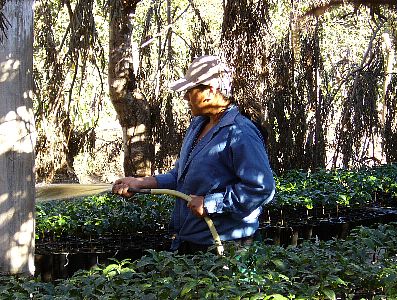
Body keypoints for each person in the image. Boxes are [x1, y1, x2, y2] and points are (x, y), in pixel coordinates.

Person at [112, 55, 275, 254]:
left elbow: (261, 188)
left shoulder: (240, 131)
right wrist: (141, 182)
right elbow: (180, 175)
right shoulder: (198, 125)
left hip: (228, 248)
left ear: (211, 91)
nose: (185, 97)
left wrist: (211, 204)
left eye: (190, 91)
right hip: (190, 242)